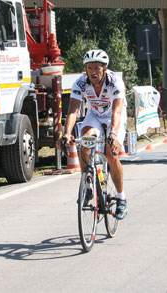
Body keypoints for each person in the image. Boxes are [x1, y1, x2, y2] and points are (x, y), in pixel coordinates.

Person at [64, 49, 128, 219]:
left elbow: (116, 112)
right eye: (89, 68)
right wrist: (66, 133)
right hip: (95, 115)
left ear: (105, 68)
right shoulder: (80, 83)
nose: (92, 72)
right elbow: (73, 111)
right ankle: (88, 185)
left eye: (97, 68)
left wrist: (113, 134)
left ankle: (121, 198)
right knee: (85, 143)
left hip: (115, 116)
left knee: (111, 153)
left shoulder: (115, 82)